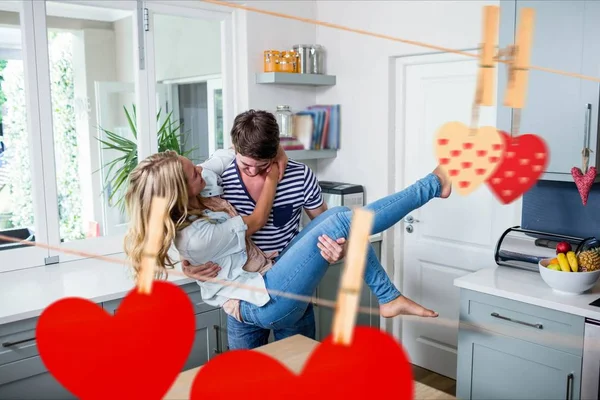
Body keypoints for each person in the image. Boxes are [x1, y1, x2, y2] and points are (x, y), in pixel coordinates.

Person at [123, 149, 452, 339]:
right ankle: (434, 183)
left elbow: (224, 154)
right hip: (258, 303)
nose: (199, 168)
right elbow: (254, 222)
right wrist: (272, 179)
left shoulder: (204, 183)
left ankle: (388, 296)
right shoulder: (195, 236)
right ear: (181, 192)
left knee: (338, 219)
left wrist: (274, 150)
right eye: (192, 172)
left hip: (270, 280)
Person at [182, 110, 347, 349]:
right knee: (247, 378)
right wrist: (188, 265)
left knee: (299, 371)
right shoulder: (217, 184)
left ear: (274, 153)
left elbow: (327, 225)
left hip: (292, 292)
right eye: (246, 164)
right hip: (243, 295)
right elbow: (194, 230)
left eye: (262, 166)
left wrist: (338, 249)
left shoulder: (300, 176)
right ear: (234, 150)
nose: (253, 172)